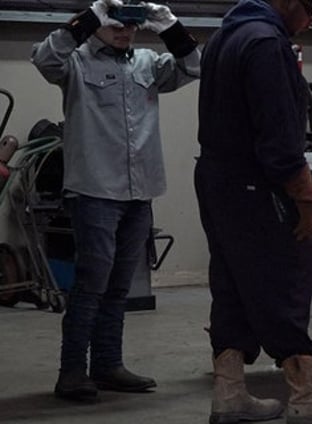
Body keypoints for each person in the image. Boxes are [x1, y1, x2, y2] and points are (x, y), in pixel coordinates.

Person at [195, 0, 312, 423]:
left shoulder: (226, 35)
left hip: (218, 180)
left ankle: (229, 393)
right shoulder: (266, 43)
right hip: (259, 186)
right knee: (284, 279)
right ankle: (307, 398)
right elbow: (276, 136)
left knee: (233, 283)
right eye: (310, 11)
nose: (311, 22)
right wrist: (308, 199)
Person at [31, 0, 200, 401]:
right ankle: (72, 373)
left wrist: (169, 24)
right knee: (91, 284)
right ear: (99, 24)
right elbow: (43, 59)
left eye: (132, 26)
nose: (125, 32)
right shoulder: (75, 63)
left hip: (139, 191)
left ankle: (108, 364)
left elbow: (195, 66)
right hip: (94, 192)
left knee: (120, 286)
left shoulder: (147, 62)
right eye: (117, 24)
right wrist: (89, 18)